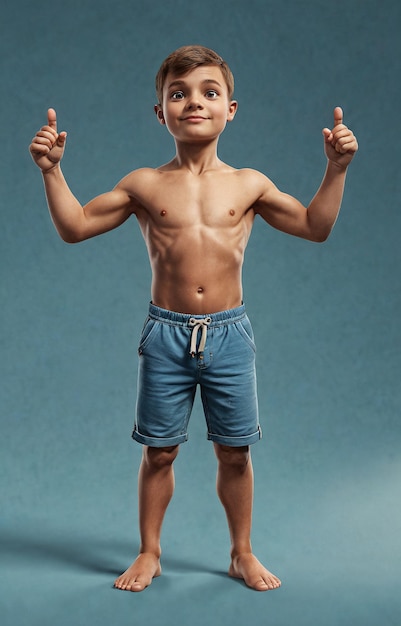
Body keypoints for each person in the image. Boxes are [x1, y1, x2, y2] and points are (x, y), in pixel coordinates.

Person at [29, 45, 358, 593]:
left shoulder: (249, 183)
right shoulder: (144, 184)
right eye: (178, 94)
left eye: (209, 92)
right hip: (166, 334)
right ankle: (149, 551)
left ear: (232, 108)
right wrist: (52, 172)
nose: (193, 102)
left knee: (235, 451)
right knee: (159, 451)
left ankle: (241, 552)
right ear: (161, 113)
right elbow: (76, 226)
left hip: (230, 333)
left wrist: (336, 169)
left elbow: (314, 225)